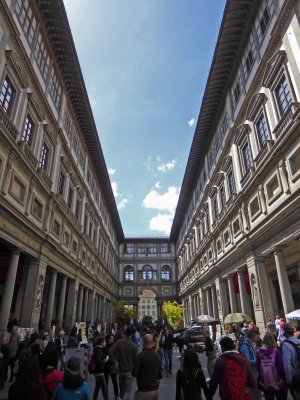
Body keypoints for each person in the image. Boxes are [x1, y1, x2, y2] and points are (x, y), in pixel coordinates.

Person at [109, 326, 138, 400]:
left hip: (120, 371)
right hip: (129, 371)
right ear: (131, 334)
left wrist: (114, 362)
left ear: (125, 333)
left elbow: (111, 352)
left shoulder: (119, 342)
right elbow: (136, 360)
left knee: (122, 391)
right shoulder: (134, 346)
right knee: (127, 391)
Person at [132, 334, 162, 400]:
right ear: (152, 343)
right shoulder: (157, 356)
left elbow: (134, 373)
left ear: (143, 342)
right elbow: (160, 375)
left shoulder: (140, 356)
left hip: (143, 391)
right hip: (155, 390)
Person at [256, 333, 285, 400]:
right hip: (277, 381)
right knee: (280, 397)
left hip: (265, 382)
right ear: (273, 341)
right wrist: (283, 376)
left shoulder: (259, 352)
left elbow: (258, 366)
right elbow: (281, 367)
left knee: (268, 397)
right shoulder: (276, 352)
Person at [240, 330, 261, 399]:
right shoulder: (245, 346)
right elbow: (246, 362)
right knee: (254, 395)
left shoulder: (251, 344)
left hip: (255, 374)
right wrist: (258, 361)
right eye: (256, 336)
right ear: (252, 336)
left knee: (257, 394)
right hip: (251, 375)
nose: (257, 338)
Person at [281, 323, 300, 400]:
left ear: (285, 332)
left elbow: (287, 365)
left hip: (295, 377)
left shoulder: (286, 345)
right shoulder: (299, 340)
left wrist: (289, 380)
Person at [104, 335, 120, 400]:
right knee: (106, 383)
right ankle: (106, 396)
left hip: (112, 366)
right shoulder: (105, 346)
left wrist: (117, 361)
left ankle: (116, 395)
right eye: (111, 338)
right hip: (106, 366)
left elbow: (116, 354)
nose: (112, 339)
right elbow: (105, 354)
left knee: (115, 382)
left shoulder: (114, 345)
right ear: (108, 339)